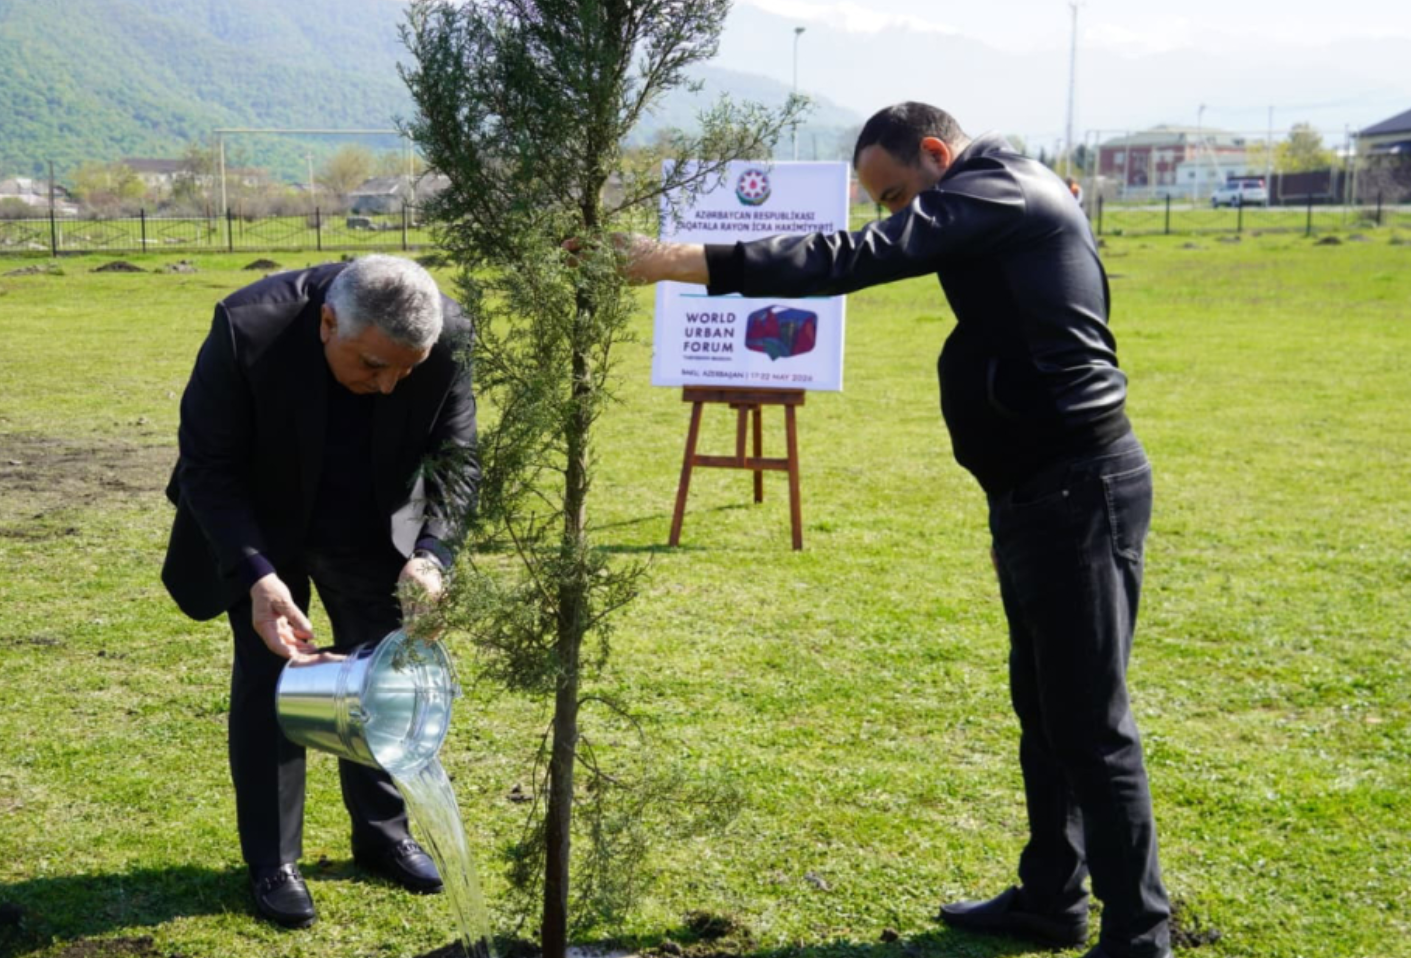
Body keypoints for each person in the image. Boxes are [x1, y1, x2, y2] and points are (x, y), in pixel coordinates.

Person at [615, 103, 1171, 958]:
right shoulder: (995, 195)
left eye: (897, 195)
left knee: (1090, 725)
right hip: (1038, 490)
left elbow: (851, 259)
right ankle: (1050, 898)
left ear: (938, 154)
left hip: (1075, 488)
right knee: (1044, 707)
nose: (895, 214)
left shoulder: (999, 191)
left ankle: (1139, 935)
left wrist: (670, 261)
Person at [161, 254, 479, 929]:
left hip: (368, 521)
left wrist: (432, 555)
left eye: (407, 371)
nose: (389, 386)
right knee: (271, 676)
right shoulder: (248, 327)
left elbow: (457, 458)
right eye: (374, 365)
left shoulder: (447, 333)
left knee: (384, 673)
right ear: (328, 323)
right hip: (259, 518)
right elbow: (207, 467)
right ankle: (274, 861)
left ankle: (383, 835)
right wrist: (256, 574)